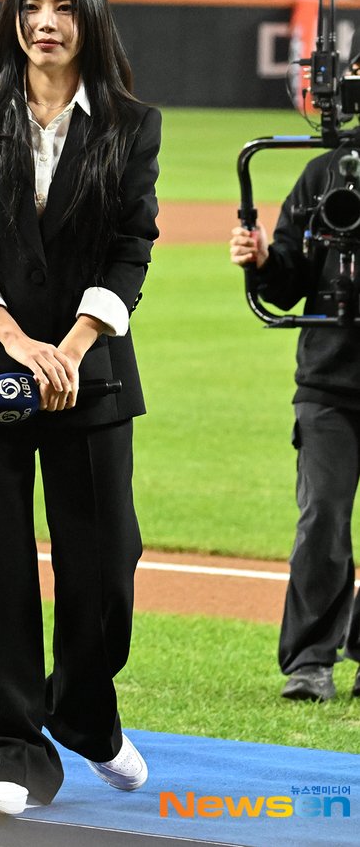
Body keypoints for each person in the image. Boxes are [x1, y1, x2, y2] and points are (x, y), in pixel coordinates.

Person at [0, 0, 161, 814]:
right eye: (30, 7)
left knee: (107, 566)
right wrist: (17, 338)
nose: (45, 23)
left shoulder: (133, 125)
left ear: (88, 16)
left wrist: (74, 343)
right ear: (13, 17)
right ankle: (17, 752)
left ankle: (85, 712)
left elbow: (131, 246)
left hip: (90, 373)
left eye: (62, 6)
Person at [230, 146, 360, 703]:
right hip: (330, 380)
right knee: (323, 515)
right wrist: (263, 260)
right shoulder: (324, 172)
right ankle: (310, 661)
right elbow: (289, 281)